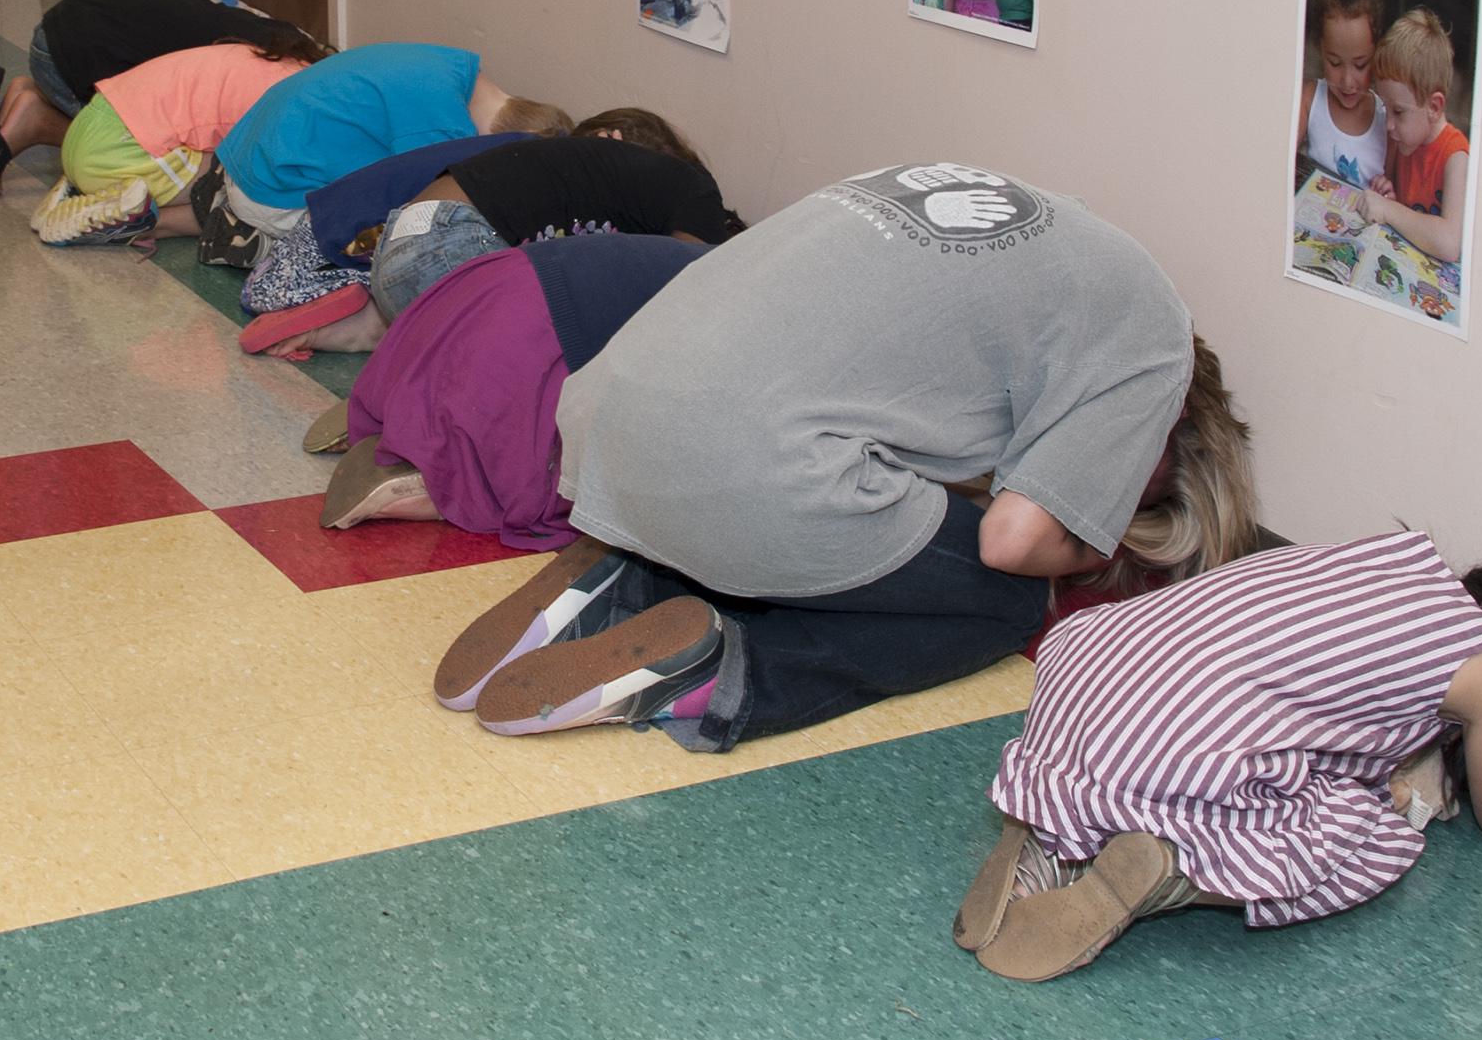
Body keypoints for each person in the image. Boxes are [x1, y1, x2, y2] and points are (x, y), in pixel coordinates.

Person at [430, 162, 1261, 753]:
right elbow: (1012, 541)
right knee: (1000, 603)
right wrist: (1082, 540)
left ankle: (621, 578)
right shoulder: (1150, 346)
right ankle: (721, 673)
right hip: (740, 465)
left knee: (826, 511)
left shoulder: (1032, 221)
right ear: (1163, 441)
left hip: (606, 411)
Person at [952, 530, 1482, 982]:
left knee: (1255, 747)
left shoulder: (1401, 566)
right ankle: (1171, 872)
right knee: (1367, 827)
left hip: (1085, 677)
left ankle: (1050, 837)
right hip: (1174, 741)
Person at [240, 112, 741, 357]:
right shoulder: (695, 189)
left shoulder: (582, 172)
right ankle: (416, 426)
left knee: (427, 325)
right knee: (546, 349)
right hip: (450, 243)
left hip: (400, 246)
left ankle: (346, 333)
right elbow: (690, 285)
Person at [317, 234, 707, 547]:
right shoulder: (745, 303)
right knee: (568, 486)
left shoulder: (708, 259)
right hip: (531, 321)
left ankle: (400, 408)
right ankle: (435, 475)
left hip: (484, 281)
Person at [0, 0, 321, 196]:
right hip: (69, 55)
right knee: (126, 143)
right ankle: (37, 120)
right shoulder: (280, 85)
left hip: (64, 25)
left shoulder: (281, 39)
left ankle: (35, 93)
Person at [214, 41, 572, 243]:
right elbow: (417, 219)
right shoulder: (443, 128)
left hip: (248, 159)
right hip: (272, 194)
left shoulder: (454, 67)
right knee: (413, 236)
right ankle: (268, 249)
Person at [25, 41, 319, 247]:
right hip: (117, 152)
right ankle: (129, 220)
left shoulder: (278, 63)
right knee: (240, 196)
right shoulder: (293, 98)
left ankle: (87, 190)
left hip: (87, 130)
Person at [1361, 9, 1470, 263]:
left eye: (1398, 111)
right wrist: (1390, 195)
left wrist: (1389, 209)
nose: (1388, 124)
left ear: (1434, 107)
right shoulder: (1404, 139)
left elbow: (1450, 243)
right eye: (1386, 109)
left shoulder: (1456, 156)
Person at [1294, 0, 1390, 188]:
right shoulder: (1310, 100)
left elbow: (1393, 190)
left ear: (1377, 52)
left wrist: (1388, 194)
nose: (1347, 82)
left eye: (1360, 65)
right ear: (1320, 49)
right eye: (1335, 63)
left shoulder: (1388, 119)